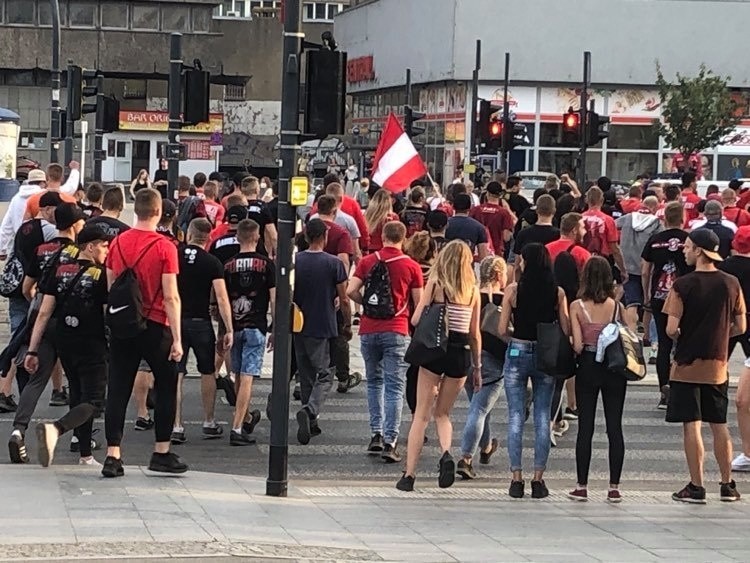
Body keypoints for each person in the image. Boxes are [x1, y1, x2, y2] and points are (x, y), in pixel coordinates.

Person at [103, 188, 187, 478]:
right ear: (158, 213)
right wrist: (177, 338)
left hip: (124, 325)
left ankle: (113, 454)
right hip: (156, 324)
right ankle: (161, 451)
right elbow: (171, 296)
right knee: (166, 385)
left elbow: (111, 285)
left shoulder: (117, 243)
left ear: (135, 210)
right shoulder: (165, 247)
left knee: (118, 387)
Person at [664, 228, 746, 503]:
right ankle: (727, 484)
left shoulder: (682, 285)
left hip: (686, 365)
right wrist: (721, 334)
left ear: (698, 250)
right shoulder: (731, 283)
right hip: (718, 365)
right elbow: (741, 325)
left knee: (692, 425)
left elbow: (671, 329)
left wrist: (684, 333)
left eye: (687, 247)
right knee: (719, 423)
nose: (684, 251)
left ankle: (696, 486)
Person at [396, 241, 481, 492]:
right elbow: (475, 333)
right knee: (443, 413)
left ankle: (409, 475)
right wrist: (477, 366)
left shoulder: (435, 285)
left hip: (434, 350)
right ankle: (445, 454)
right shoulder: (473, 291)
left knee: (421, 414)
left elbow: (415, 318)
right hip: (460, 353)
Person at [26, 225, 113, 467]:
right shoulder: (101, 274)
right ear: (90, 246)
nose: (107, 250)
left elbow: (43, 312)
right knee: (94, 401)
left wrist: (33, 349)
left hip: (64, 340)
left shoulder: (60, 270)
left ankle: (85, 454)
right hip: (92, 342)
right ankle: (55, 429)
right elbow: (108, 313)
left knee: (77, 394)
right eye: (104, 246)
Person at [8, 202, 86, 463]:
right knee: (76, 379)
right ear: (75, 225)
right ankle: (78, 436)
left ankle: (19, 430)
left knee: (36, 379)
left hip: (42, 318)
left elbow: (26, 287)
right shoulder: (78, 253)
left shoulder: (42, 250)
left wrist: (38, 301)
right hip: (71, 321)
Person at [498, 243, 570, 499]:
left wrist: (514, 341)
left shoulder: (514, 290)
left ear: (526, 262)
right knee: (542, 415)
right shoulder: (556, 292)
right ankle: (538, 479)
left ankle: (516, 479)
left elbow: (501, 328)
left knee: (516, 414)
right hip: (544, 353)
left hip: (518, 349)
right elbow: (565, 326)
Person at [348, 222, 423, 463]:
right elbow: (418, 304)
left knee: (374, 383)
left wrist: (367, 306)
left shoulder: (368, 262)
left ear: (382, 237)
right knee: (394, 387)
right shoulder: (411, 266)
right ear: (404, 238)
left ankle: (376, 434)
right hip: (397, 328)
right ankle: (391, 440)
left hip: (369, 328)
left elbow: (351, 291)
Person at [568, 257, 632, 503]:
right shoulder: (617, 307)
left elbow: (577, 343)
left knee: (586, 427)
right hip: (614, 369)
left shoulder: (577, 307)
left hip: (588, 366)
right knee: (614, 427)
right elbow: (625, 336)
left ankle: (582, 486)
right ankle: (614, 487)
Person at [170, 218, 234, 444]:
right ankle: (208, 421)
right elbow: (222, 297)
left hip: (176, 320)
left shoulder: (174, 254)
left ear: (189, 234)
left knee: (176, 372)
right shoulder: (212, 262)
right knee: (207, 370)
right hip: (201, 321)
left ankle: (176, 425)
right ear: (208, 238)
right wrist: (229, 327)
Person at [293, 219, 351, 444]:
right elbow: (344, 298)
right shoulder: (333, 263)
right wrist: (346, 324)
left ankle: (311, 419)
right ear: (324, 238)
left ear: (306, 237)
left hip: (298, 323)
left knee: (306, 372)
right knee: (325, 373)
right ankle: (310, 411)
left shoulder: (295, 261)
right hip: (323, 322)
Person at [223, 219, 276, 446]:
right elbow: (274, 297)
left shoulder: (227, 265)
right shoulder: (266, 265)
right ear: (257, 238)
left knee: (237, 373)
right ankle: (237, 428)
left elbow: (221, 299)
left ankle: (243, 416)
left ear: (238, 238)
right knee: (247, 376)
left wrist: (224, 329)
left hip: (234, 326)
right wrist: (275, 326)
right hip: (256, 324)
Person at [457, 256, 507, 480]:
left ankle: (486, 447)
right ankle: (466, 458)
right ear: (499, 275)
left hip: (466, 355)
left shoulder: (470, 294)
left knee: (479, 405)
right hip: (492, 361)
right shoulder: (505, 299)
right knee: (478, 410)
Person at [641, 202, 691, 410]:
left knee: (664, 343)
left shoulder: (655, 240)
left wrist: (647, 295)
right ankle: (682, 388)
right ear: (683, 218)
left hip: (660, 297)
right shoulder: (689, 240)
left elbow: (645, 270)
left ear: (664, 219)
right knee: (685, 342)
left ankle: (664, 390)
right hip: (686, 297)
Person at [615, 196, 663, 314]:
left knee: (631, 301)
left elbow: (612, 225)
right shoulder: (656, 222)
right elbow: (662, 238)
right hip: (644, 267)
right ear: (653, 207)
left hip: (625, 265)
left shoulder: (628, 217)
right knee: (645, 301)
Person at [0, 170, 49, 259]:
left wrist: (2, 249)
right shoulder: (44, 197)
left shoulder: (16, 198)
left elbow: (6, 225)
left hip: (20, 243)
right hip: (40, 245)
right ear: (43, 183)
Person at [582, 187, 627, 283]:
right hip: (603, 262)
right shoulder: (608, 220)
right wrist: (623, 269)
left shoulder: (579, 218)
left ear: (586, 200)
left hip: (583, 260)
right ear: (602, 200)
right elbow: (614, 248)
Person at [469, 181, 515, 258]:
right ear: (500, 195)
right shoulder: (504, 212)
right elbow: (506, 237)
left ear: (487, 193)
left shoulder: (476, 210)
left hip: (477, 253)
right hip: (496, 253)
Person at [242, 176, 278, 259]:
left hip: (239, 246)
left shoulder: (237, 205)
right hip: (257, 247)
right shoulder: (262, 207)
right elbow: (273, 235)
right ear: (256, 190)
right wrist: (276, 254)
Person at [445, 193, 490, 258]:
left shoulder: (446, 224)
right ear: (470, 207)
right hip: (467, 265)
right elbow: (483, 256)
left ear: (453, 207)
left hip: (447, 264)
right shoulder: (479, 227)